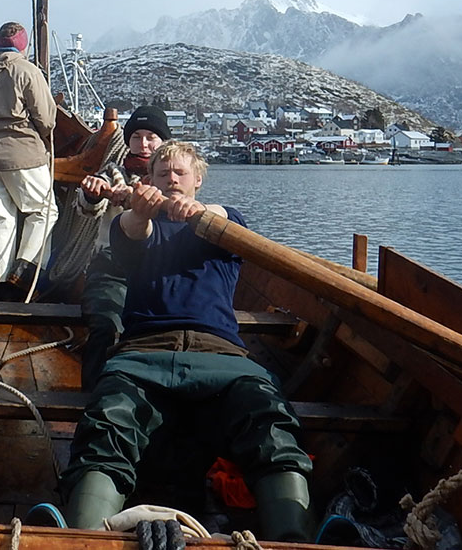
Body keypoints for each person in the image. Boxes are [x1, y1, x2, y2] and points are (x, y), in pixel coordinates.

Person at [54, 141, 314, 542]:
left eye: (180, 173)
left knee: (267, 415)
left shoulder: (225, 225)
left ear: (197, 180)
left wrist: (199, 214)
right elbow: (130, 232)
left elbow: (226, 216)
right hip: (143, 355)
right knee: (109, 421)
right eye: (162, 174)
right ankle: (83, 535)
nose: (171, 179)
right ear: (149, 181)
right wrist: (140, 210)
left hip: (223, 356)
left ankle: (294, 535)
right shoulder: (137, 224)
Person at [74, 105, 171, 389]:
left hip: (160, 266)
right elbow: (87, 208)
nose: (143, 144)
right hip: (111, 266)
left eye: (151, 138)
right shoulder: (113, 174)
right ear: (127, 142)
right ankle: (94, 396)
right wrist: (92, 194)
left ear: (163, 142)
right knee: (107, 325)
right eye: (136, 137)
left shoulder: (171, 179)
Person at [0, 21, 57, 299]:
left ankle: (0, 285)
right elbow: (46, 117)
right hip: (22, 155)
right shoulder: (26, 69)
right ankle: (26, 273)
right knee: (44, 211)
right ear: (22, 44)